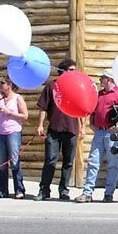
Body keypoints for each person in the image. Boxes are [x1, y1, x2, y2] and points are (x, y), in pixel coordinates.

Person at [74, 69, 118, 203]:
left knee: (113, 164)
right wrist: (91, 123)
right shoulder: (98, 95)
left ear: (109, 79)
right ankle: (87, 192)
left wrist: (117, 126)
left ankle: (109, 193)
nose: (100, 81)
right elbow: (92, 110)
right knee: (93, 162)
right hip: (100, 131)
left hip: (113, 133)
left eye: (103, 78)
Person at [34, 59, 84, 201]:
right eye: (72, 70)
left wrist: (83, 127)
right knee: (50, 160)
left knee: (68, 162)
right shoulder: (52, 86)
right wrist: (40, 125)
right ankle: (44, 189)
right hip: (54, 130)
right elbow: (43, 108)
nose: (75, 73)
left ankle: (64, 190)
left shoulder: (77, 87)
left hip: (71, 129)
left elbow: (83, 109)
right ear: (63, 71)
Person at [0, 76, 28, 199]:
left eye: (2, 83)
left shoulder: (17, 98)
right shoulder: (1, 99)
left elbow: (25, 116)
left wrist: (9, 113)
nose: (0, 85)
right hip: (1, 133)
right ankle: (2, 190)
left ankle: (19, 190)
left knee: (14, 162)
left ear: (9, 85)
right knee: (2, 163)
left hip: (13, 132)